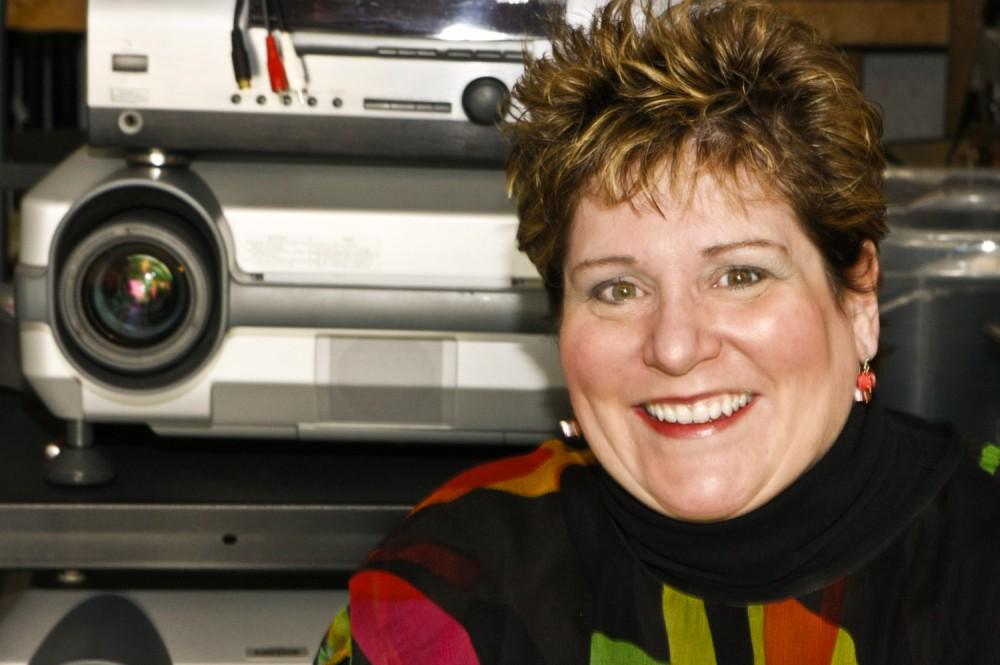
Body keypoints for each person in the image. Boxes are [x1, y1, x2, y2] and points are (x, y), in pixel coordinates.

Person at [315, 0, 1000, 662]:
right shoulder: (440, 593)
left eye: (740, 275)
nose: (675, 346)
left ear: (858, 301)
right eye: (618, 288)